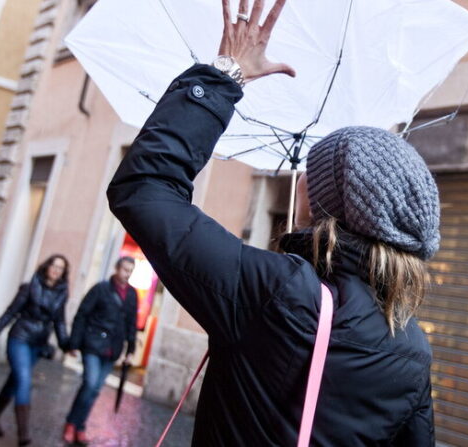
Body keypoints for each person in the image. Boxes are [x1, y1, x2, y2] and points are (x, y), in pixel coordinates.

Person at [106, 0, 437, 445]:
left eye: (311, 179)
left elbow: (145, 187)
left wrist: (225, 73)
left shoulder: (276, 294)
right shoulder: (413, 350)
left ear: (322, 205)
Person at [0, 254, 71, 446]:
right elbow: (10, 312)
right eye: (53, 265)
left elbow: (60, 322)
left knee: (14, 382)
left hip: (37, 345)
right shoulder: (30, 286)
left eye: (60, 268)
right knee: (24, 380)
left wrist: (66, 345)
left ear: (63, 273)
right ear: (46, 267)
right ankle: (24, 435)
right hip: (19, 338)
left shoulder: (62, 294)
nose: (56, 270)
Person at [62, 256, 138, 443]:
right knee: (89, 383)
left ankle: (80, 426)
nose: (127, 274)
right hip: (93, 344)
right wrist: (74, 343)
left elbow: (131, 323)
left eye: (130, 271)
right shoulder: (101, 288)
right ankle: (71, 424)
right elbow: (82, 314)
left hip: (113, 349)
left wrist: (131, 349)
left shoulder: (132, 294)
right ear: (116, 268)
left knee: (95, 389)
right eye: (124, 269)